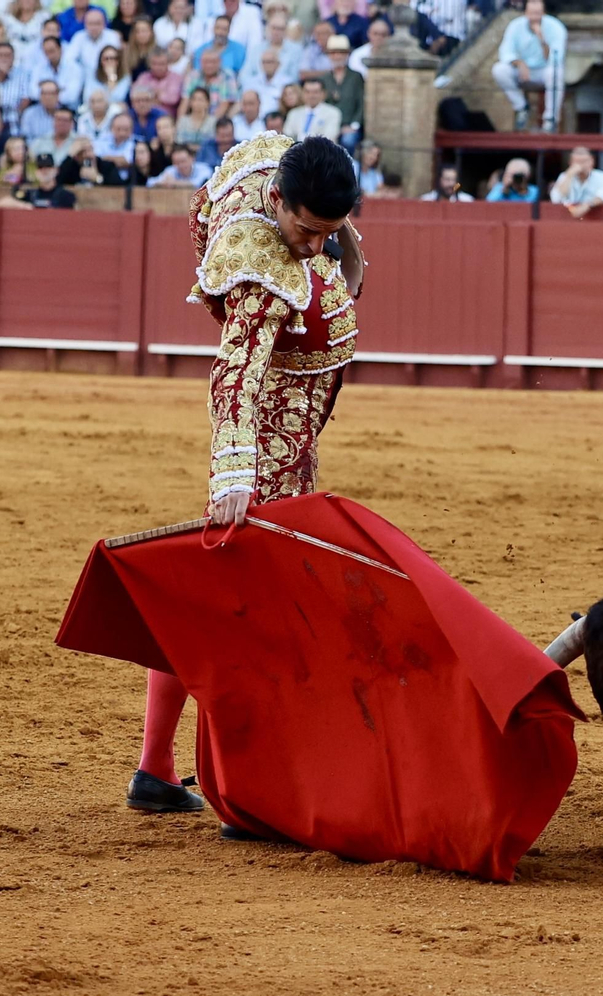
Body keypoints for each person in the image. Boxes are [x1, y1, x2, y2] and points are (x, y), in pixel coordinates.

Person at [128, 134, 365, 822]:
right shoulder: (259, 269)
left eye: (327, 233)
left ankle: (158, 767)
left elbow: (205, 204)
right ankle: (246, 789)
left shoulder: (281, 162)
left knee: (215, 600)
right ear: (276, 200)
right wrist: (235, 473)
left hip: (292, 424)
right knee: (256, 610)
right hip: (268, 437)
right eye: (305, 230)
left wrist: (337, 243)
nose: (314, 247)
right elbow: (234, 375)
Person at [491, 0, 566, 133]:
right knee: (499, 69)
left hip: (544, 71)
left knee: (556, 73)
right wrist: (519, 63)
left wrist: (542, 39)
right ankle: (521, 107)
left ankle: (550, 120)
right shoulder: (515, 26)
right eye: (531, 13)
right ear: (525, 13)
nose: (534, 17)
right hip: (523, 72)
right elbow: (505, 52)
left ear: (544, 13)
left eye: (538, 13)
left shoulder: (556, 27)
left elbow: (555, 58)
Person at [548, 145, 603, 217]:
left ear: (592, 161)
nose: (581, 165)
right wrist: (569, 175)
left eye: (584, 162)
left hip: (596, 219)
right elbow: (556, 198)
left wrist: (587, 206)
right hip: (567, 218)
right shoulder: (565, 176)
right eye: (577, 162)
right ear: (570, 163)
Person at [320, 34, 361, 151]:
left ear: (347, 54)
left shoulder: (355, 77)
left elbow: (361, 103)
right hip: (328, 124)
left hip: (349, 124)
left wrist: (354, 125)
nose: (337, 56)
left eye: (341, 53)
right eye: (333, 53)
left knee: (348, 140)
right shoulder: (324, 78)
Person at [283, 76, 339, 140]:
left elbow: (329, 137)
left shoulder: (333, 113)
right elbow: (287, 136)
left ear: (323, 94)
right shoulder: (294, 113)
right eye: (307, 92)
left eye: (315, 92)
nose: (311, 95)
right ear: (302, 93)